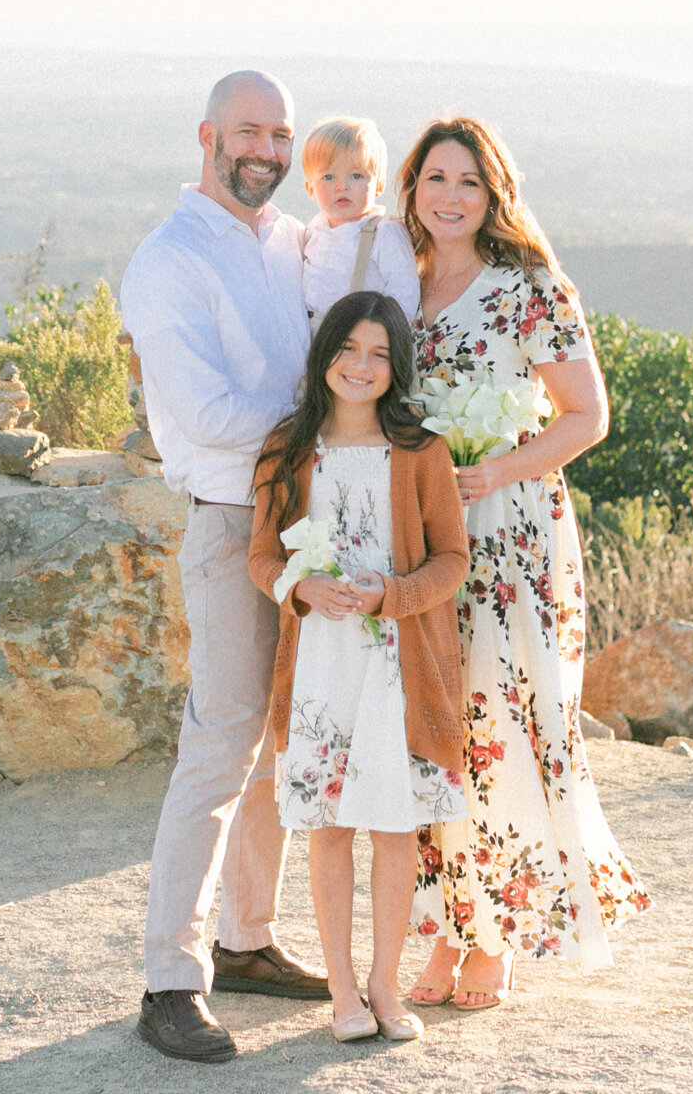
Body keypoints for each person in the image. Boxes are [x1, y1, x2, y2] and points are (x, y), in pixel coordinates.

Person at [400, 115, 650, 1011]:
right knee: (427, 729)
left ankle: (493, 936)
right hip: (419, 536)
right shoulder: (401, 279)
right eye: (436, 179)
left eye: (469, 181)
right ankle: (440, 925)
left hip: (509, 536)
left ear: (494, 193)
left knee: (498, 722)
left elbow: (588, 416)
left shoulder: (529, 286)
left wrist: (495, 469)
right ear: (414, 188)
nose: (451, 196)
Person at [120, 70, 330, 1066]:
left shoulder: (287, 242)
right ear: (207, 134)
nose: (267, 148)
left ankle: (246, 940)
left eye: (282, 132)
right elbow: (203, 416)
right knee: (218, 743)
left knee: (277, 744)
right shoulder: (165, 262)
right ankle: (170, 978)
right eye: (251, 129)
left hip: (311, 518)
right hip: (228, 519)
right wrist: (330, 424)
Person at [248, 290, 471, 1044]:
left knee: (398, 829)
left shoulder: (421, 451)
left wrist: (391, 593)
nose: (361, 365)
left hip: (400, 669)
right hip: (319, 669)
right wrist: (299, 586)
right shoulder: (287, 450)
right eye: (349, 349)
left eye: (379, 354)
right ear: (325, 355)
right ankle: (341, 989)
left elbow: (453, 561)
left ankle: (384, 986)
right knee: (333, 828)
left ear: (396, 367)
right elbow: (260, 556)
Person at [297, 116, 421, 328]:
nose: (341, 186)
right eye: (328, 177)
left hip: (358, 338)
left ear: (378, 185)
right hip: (309, 338)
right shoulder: (313, 231)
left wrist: (383, 335)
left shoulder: (384, 233)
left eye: (356, 176)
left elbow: (405, 292)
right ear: (310, 189)